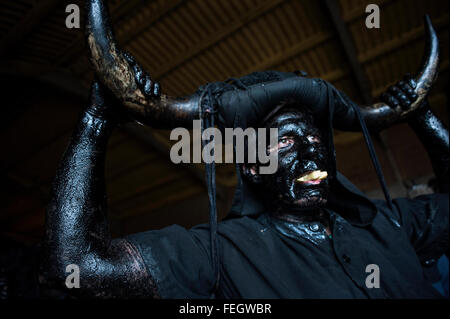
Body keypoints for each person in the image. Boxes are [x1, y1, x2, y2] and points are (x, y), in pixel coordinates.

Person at [39, 0, 448, 298]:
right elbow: (76, 267)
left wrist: (422, 116)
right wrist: (98, 117)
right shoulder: (222, 252)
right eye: (286, 142)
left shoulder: (390, 222)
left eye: (316, 140)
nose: (312, 154)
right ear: (253, 167)